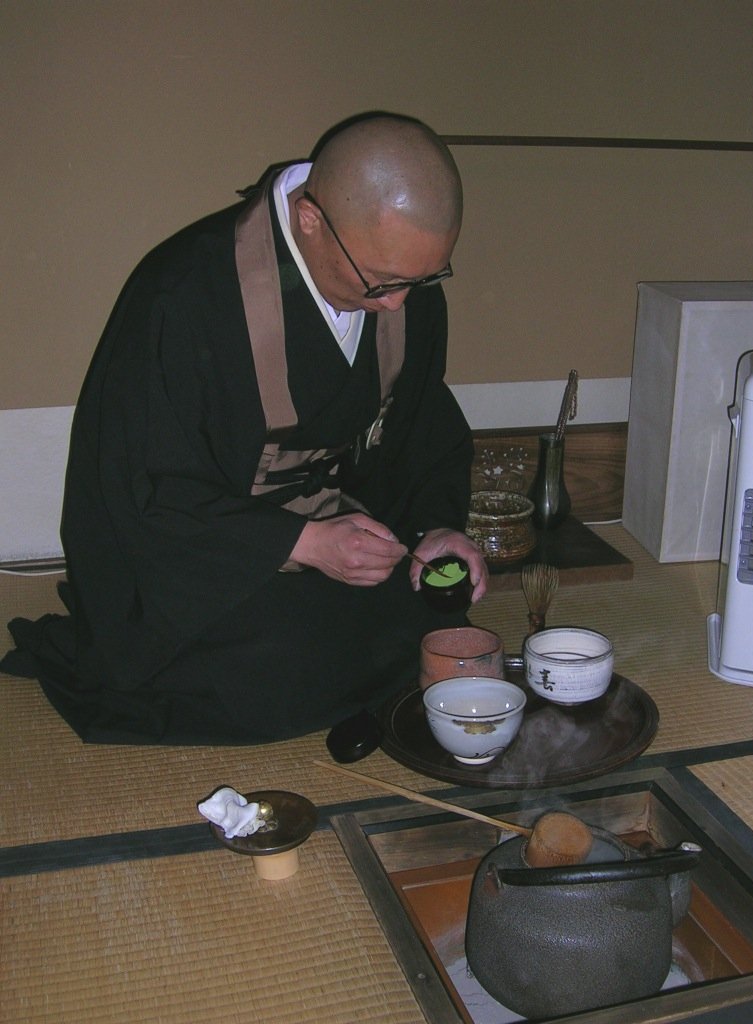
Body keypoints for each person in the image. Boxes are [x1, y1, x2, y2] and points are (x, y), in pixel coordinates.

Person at [1, 112, 488, 745]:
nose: (397, 304)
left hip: (338, 518)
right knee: (286, 662)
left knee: (433, 605)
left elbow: (421, 424)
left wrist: (438, 526)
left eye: (420, 281)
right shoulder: (181, 294)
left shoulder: (399, 286)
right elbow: (143, 488)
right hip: (204, 554)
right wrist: (303, 544)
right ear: (311, 220)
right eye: (383, 282)